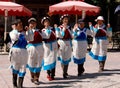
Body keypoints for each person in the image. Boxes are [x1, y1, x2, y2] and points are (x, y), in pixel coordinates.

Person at [9, 19, 28, 88]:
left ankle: (20, 85)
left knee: (23, 68)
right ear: (15, 25)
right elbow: (15, 38)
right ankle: (14, 84)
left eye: (22, 24)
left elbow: (31, 38)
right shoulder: (12, 32)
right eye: (20, 24)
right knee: (15, 67)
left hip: (24, 52)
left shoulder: (24, 33)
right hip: (15, 52)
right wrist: (14, 29)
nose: (21, 26)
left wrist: (29, 31)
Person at [26, 18, 44, 85]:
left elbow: (44, 37)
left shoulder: (39, 31)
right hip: (31, 48)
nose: (32, 24)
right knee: (31, 62)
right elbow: (29, 38)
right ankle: (32, 76)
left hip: (39, 48)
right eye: (31, 23)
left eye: (33, 23)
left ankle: (36, 78)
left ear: (36, 24)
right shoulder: (27, 31)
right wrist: (29, 30)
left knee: (38, 62)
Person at [54, 14, 72, 79]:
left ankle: (65, 72)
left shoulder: (69, 27)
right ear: (62, 20)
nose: (65, 20)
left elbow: (72, 35)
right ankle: (64, 70)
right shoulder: (59, 28)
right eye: (64, 19)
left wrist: (74, 31)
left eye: (66, 19)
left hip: (68, 42)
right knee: (62, 57)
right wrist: (63, 29)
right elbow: (59, 36)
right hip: (61, 42)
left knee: (67, 57)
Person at [41, 16, 57, 81]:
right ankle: (48, 73)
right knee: (47, 59)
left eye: (47, 21)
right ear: (43, 23)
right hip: (46, 46)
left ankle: (52, 74)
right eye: (45, 22)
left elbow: (57, 36)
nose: (46, 23)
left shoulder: (53, 29)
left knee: (53, 59)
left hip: (53, 45)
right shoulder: (43, 30)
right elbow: (46, 37)